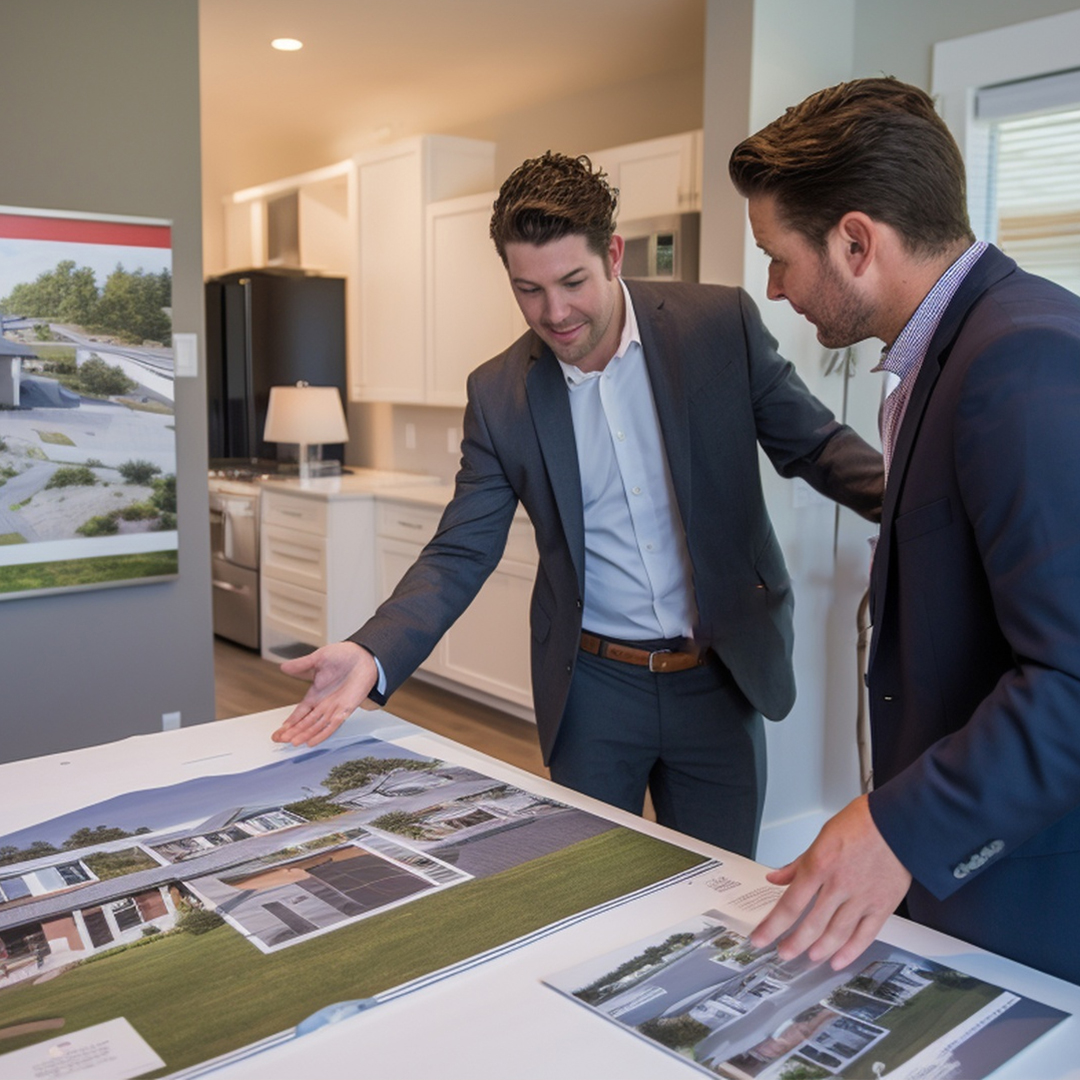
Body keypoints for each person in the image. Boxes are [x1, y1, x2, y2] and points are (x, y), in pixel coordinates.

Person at [272, 151, 883, 857]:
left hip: (720, 677)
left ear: (613, 255)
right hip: (593, 689)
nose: (554, 313)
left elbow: (817, 447)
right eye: (528, 290)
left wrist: (929, 506)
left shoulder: (718, 325)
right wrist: (372, 650)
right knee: (588, 879)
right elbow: (461, 548)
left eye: (572, 282)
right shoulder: (499, 394)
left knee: (722, 883)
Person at [728, 76, 1080, 984]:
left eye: (778, 257)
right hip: (967, 876)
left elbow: (1074, 680)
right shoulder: (953, 349)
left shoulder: (1020, 359)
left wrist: (898, 829)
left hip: (1030, 893)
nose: (774, 287)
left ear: (856, 242)